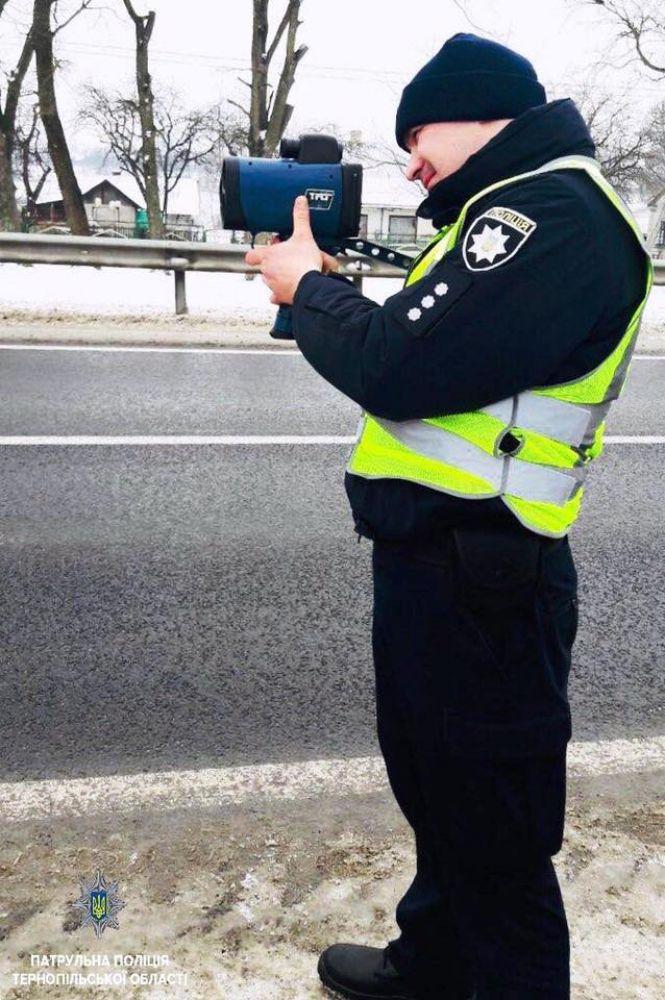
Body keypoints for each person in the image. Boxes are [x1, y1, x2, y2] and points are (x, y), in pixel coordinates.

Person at [246, 33, 652, 1000]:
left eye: (415, 134)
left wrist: (310, 291)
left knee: (496, 834)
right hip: (446, 564)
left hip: (487, 575)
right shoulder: (510, 211)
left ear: (474, 109)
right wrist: (337, 296)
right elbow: (441, 355)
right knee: (441, 794)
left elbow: (399, 366)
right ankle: (432, 963)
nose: (409, 159)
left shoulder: (544, 214)